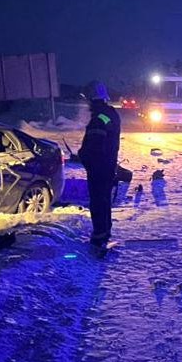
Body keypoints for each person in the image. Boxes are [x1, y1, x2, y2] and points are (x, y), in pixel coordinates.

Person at [77, 81, 121, 249]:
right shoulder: (111, 114)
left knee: (98, 201)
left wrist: (82, 155)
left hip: (98, 167)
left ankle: (99, 237)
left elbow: (95, 145)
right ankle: (105, 232)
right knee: (104, 200)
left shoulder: (98, 119)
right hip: (108, 165)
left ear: (92, 99)